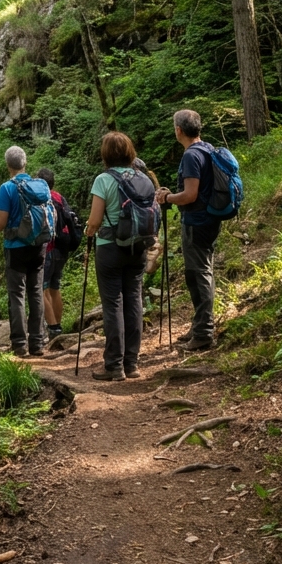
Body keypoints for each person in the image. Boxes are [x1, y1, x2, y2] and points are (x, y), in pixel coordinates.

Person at [83, 131, 149, 381]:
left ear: (106, 154)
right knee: (134, 300)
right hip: (138, 247)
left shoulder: (103, 179)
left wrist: (89, 229)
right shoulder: (142, 178)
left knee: (113, 304)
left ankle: (114, 365)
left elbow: (95, 220)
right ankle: (132, 364)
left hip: (110, 247)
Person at [156, 109, 220, 351]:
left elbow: (190, 194)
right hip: (209, 219)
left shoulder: (192, 156)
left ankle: (204, 332)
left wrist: (168, 197)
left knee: (199, 274)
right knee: (200, 273)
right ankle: (199, 326)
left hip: (197, 221)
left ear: (178, 130)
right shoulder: (208, 148)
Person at [0, 146, 50, 358]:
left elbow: (2, 222)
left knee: (17, 294)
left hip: (15, 248)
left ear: (8, 166)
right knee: (35, 291)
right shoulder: (40, 185)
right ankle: (38, 343)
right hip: (39, 245)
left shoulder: (7, 188)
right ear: (25, 163)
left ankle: (20, 344)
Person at [35, 167, 68, 341]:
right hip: (62, 249)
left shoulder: (41, 198)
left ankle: (53, 329)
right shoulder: (59, 198)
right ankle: (57, 328)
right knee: (55, 288)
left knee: (42, 289)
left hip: (47, 248)